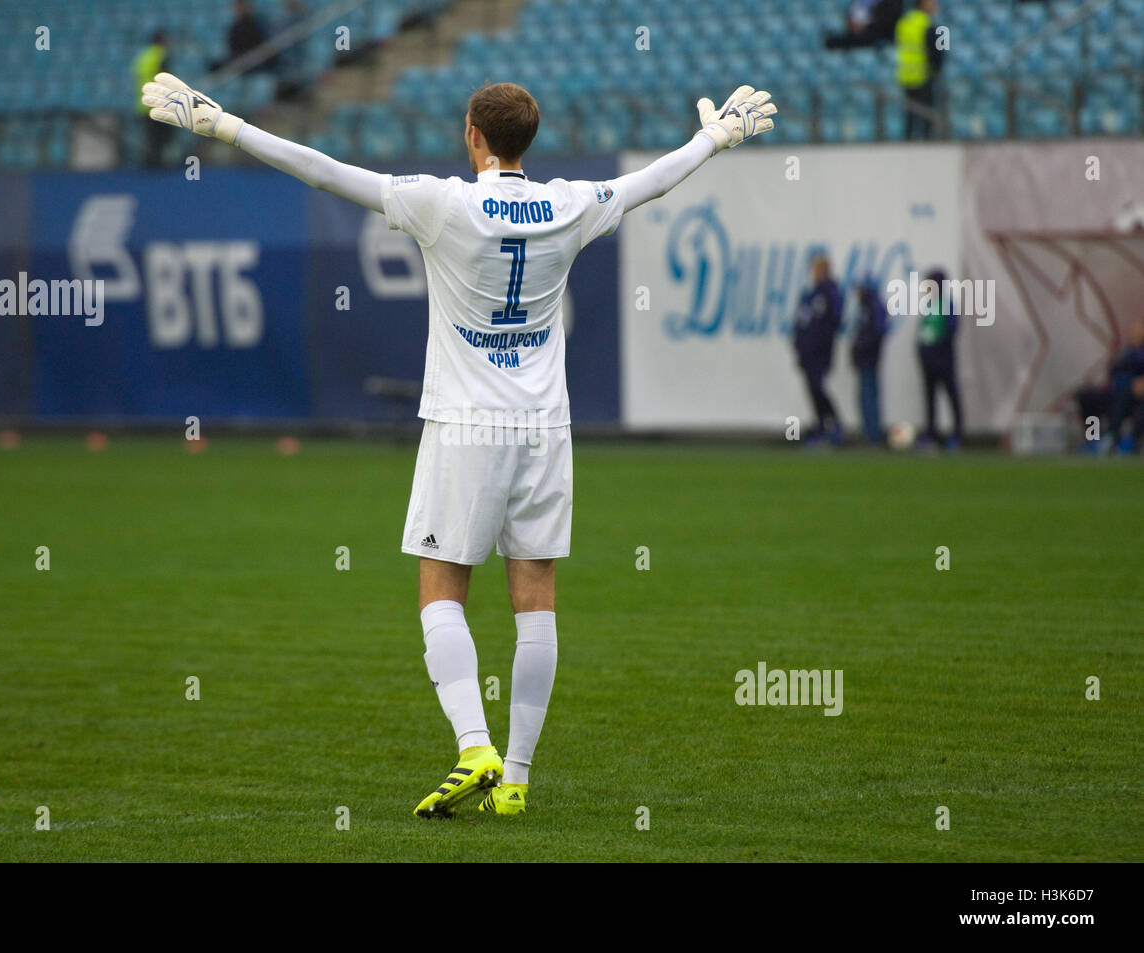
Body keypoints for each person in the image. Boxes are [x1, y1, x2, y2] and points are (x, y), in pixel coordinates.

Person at [140, 71, 776, 817]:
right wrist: (716, 136)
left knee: (441, 589)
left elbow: (325, 169)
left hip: (465, 423)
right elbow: (653, 182)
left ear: (474, 135)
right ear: (525, 140)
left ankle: (475, 743)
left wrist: (224, 126)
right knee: (534, 599)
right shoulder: (570, 203)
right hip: (544, 428)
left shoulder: (443, 203)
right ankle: (519, 776)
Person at [792, 253, 844, 445]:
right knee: (812, 389)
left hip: (820, 352)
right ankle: (822, 425)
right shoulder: (810, 295)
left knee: (818, 388)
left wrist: (819, 342)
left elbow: (833, 322)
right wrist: (798, 344)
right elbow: (801, 321)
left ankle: (834, 424)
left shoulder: (830, 293)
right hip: (807, 353)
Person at [1075, 317, 1144, 453]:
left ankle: (1122, 438)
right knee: (1086, 395)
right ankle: (1093, 437)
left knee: (1125, 391)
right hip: (1116, 390)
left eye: (1137, 330)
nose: (1133, 332)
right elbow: (1113, 371)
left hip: (1134, 396)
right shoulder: (1127, 352)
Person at [916, 268, 962, 449]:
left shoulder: (947, 305)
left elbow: (950, 330)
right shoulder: (928, 306)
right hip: (928, 362)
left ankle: (957, 435)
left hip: (943, 361)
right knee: (930, 399)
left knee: (952, 396)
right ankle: (931, 434)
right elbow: (922, 333)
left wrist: (936, 350)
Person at [895, 0, 944, 140]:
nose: (935, 6)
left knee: (910, 115)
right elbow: (937, 53)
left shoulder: (904, 22)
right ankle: (927, 143)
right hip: (924, 75)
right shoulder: (928, 24)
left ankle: (908, 143)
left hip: (905, 75)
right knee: (926, 114)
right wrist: (937, 70)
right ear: (922, 4)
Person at [850, 276, 888, 445]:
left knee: (869, 396)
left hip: (869, 359)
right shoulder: (866, 307)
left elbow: (877, 333)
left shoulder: (874, 307)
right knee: (864, 397)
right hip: (864, 359)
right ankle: (869, 432)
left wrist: (861, 347)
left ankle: (873, 434)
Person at [133, 30, 172, 167]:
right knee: (162, 135)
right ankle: (158, 164)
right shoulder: (160, 55)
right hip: (158, 102)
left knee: (150, 137)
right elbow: (166, 79)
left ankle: (149, 163)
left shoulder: (144, 57)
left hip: (144, 102)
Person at [825, 0, 902, 50]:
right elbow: (852, 13)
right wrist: (851, 22)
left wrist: (864, 27)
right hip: (857, 31)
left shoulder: (892, 2)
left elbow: (886, 21)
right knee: (834, 40)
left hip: (877, 35)